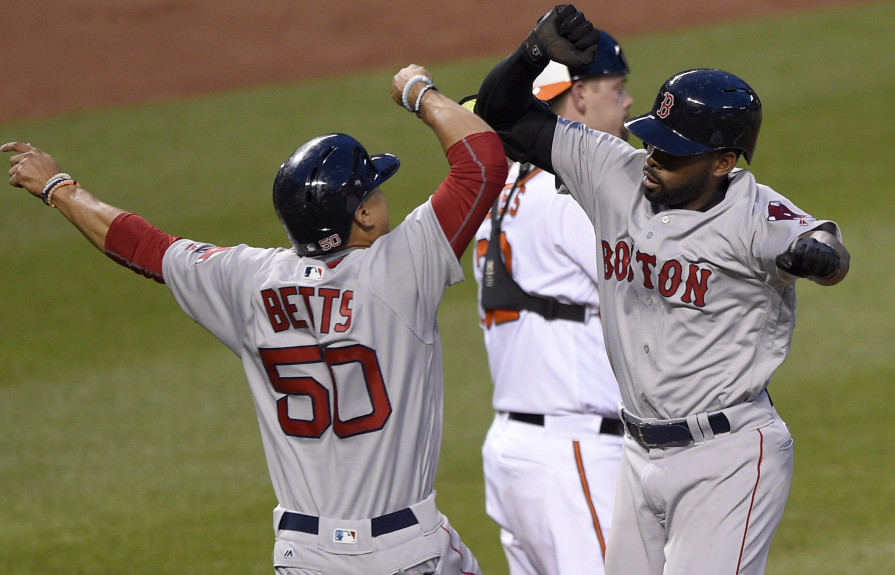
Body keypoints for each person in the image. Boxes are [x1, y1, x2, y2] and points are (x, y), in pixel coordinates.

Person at [3, 63, 508, 575]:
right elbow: (483, 161)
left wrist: (58, 188)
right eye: (374, 189)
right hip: (402, 549)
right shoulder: (403, 268)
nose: (383, 196)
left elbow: (146, 248)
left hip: (304, 555)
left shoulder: (248, 280)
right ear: (363, 216)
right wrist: (417, 92)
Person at [474, 5, 850, 575]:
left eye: (673, 153)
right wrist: (532, 54)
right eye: (652, 139)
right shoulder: (611, 171)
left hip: (725, 455)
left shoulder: (754, 212)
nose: (652, 158)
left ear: (724, 161)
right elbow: (501, 117)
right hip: (636, 451)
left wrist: (817, 256)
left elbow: (826, 248)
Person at [469, 31, 632, 575]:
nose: (629, 103)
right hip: (574, 448)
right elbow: (644, 284)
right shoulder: (566, 192)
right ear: (579, 95)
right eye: (618, 87)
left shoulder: (503, 188)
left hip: (517, 450)